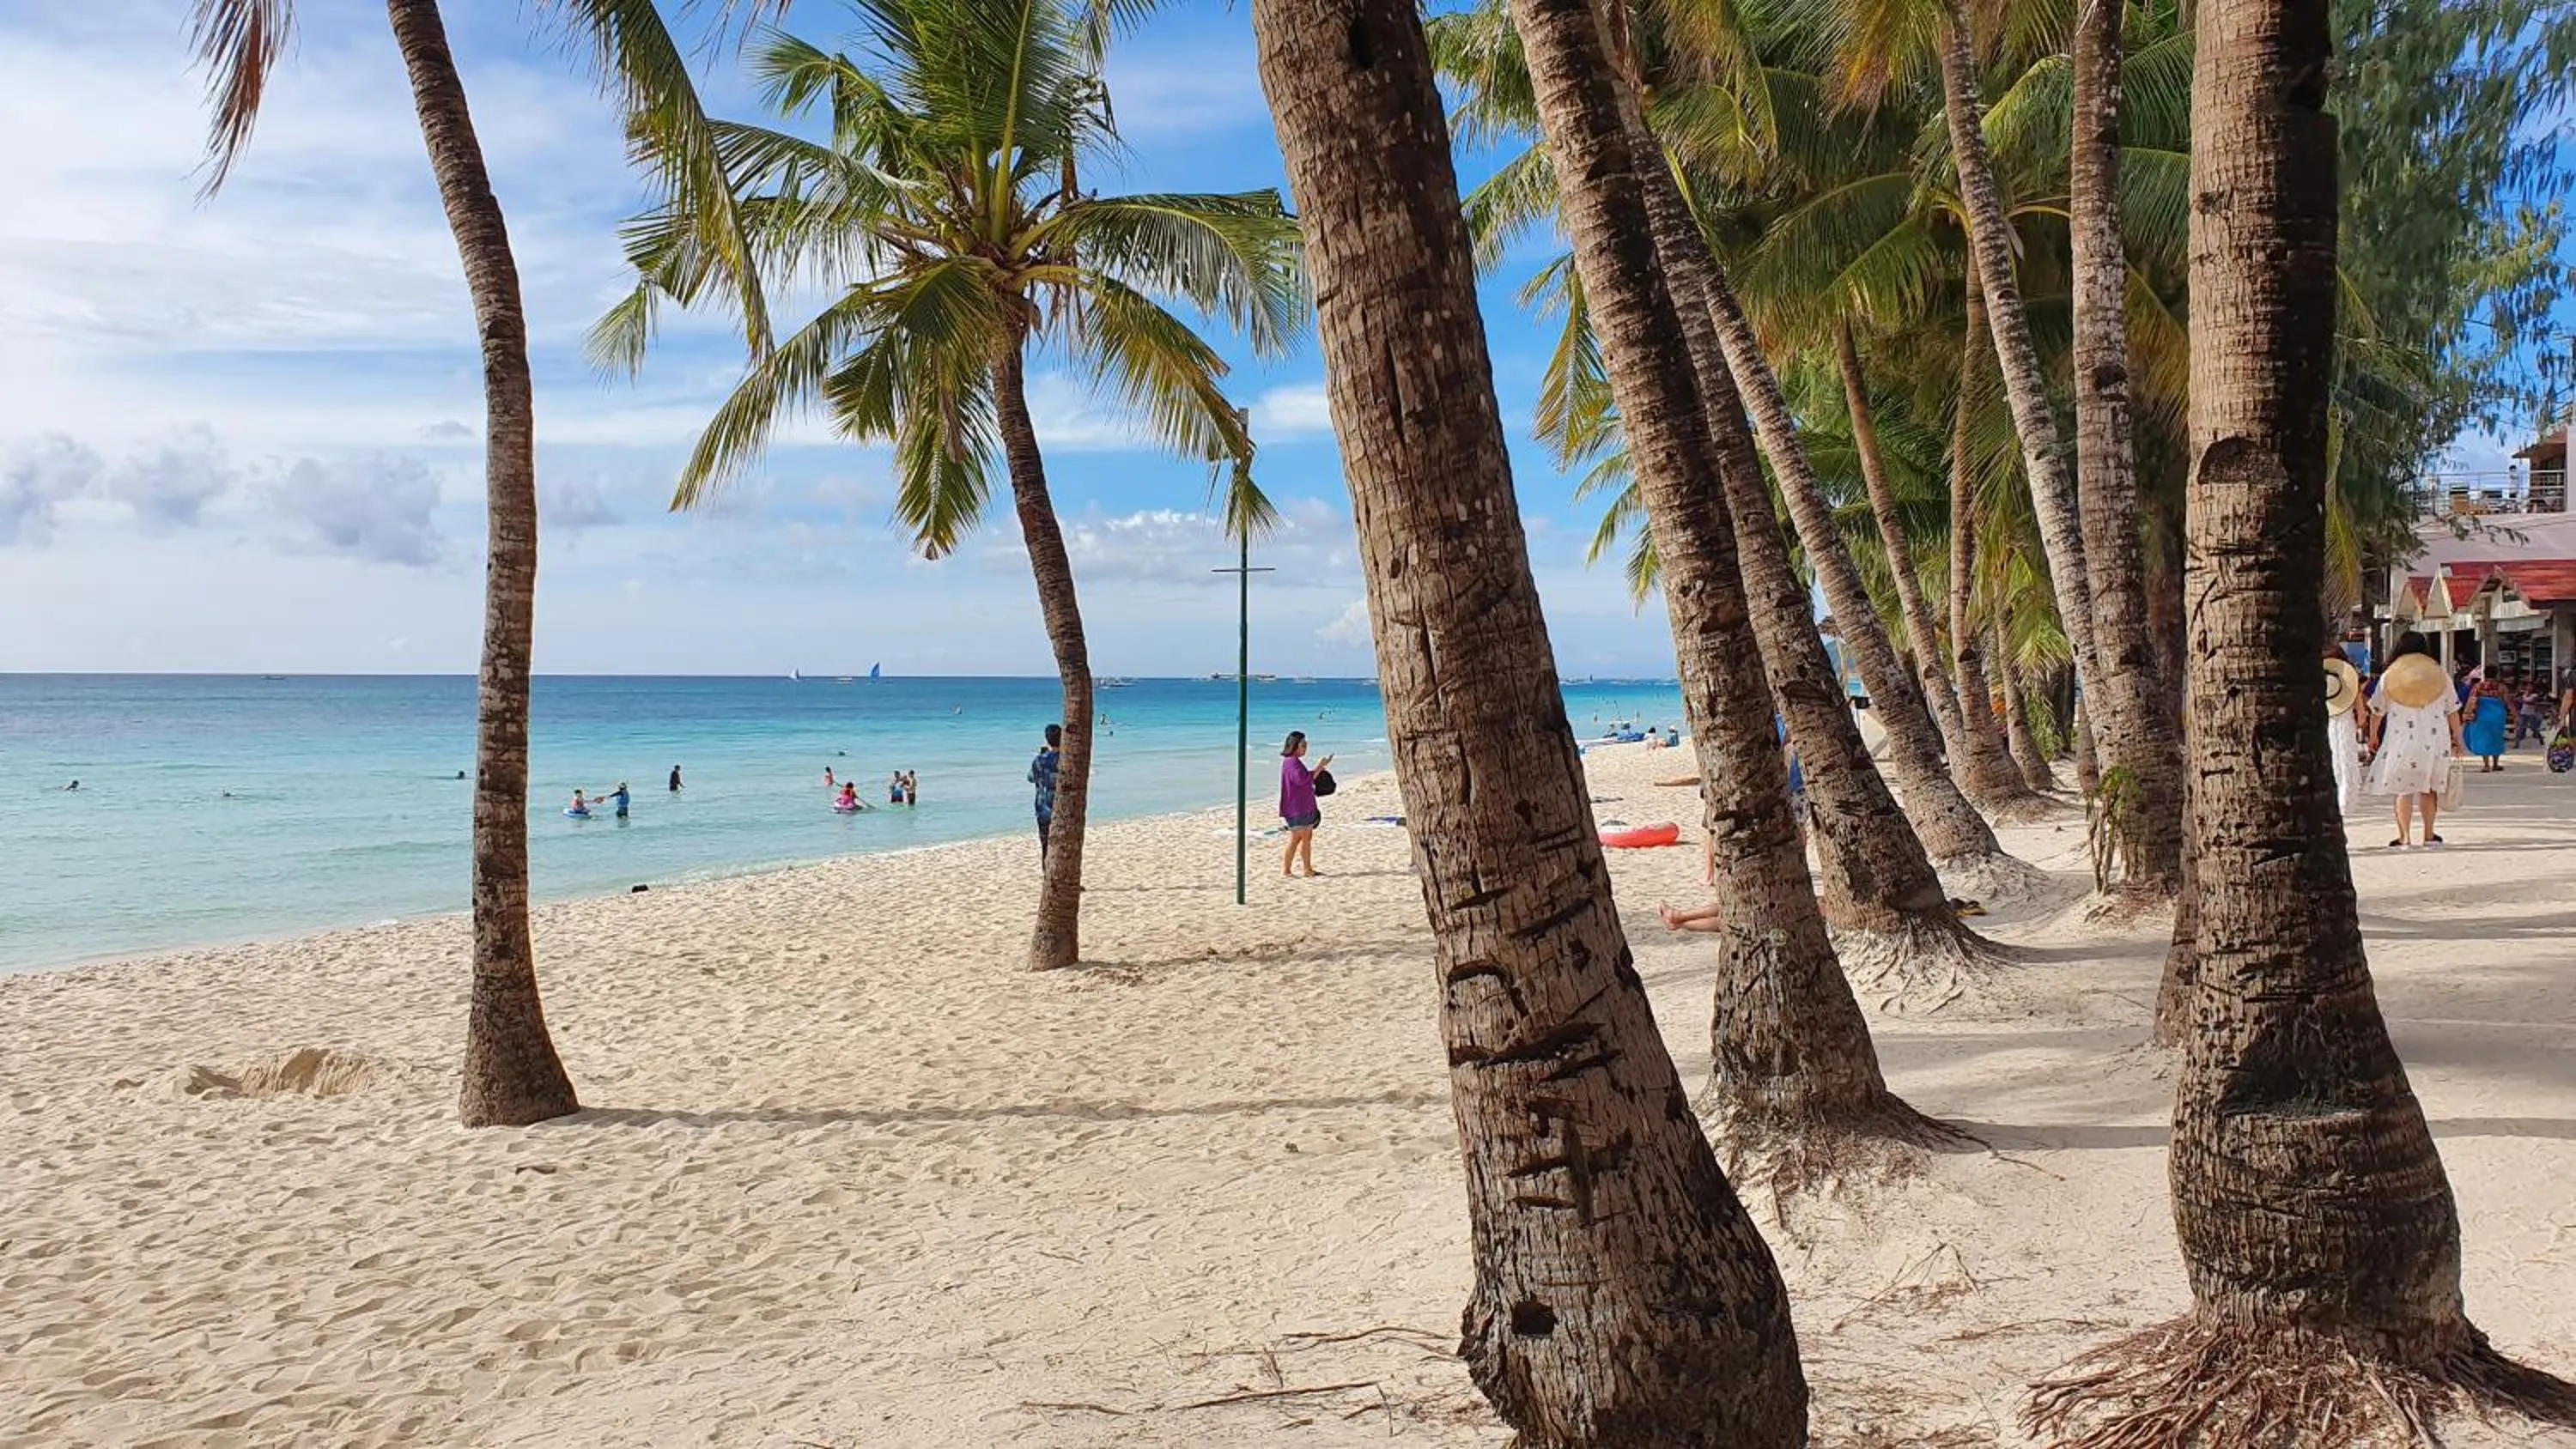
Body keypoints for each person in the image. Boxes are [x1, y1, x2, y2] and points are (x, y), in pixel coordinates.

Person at [2366, 631, 2464, 847]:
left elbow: (2377, 710)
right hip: (2435, 739)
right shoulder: (2440, 674)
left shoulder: (2390, 676)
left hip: (2401, 740)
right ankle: (2429, 835)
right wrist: (2458, 738)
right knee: (2428, 788)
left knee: (2404, 790)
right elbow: (2453, 710)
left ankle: (2405, 837)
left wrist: (2373, 735)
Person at [1279, 730, 1331, 877]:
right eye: (1302, 745)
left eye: (1306, 744)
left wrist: (1319, 769)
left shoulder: (1293, 762)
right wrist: (1319, 767)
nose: (1305, 747)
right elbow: (1304, 780)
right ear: (1294, 746)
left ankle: (1307, 869)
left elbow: (1305, 777)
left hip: (1302, 806)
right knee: (1297, 838)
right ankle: (1287, 870)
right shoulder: (1292, 762)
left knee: (1305, 837)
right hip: (1297, 808)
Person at [2324, 645, 2366, 816]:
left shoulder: (2317, 679)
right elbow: (2362, 714)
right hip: (2345, 723)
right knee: (2345, 762)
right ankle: (2344, 803)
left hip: (2323, 722)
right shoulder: (2351, 681)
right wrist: (2358, 726)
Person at [2464, 678, 2509, 773]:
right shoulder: (2501, 687)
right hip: (2498, 716)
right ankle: (2496, 764)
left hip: (2482, 716)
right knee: (2496, 739)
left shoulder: (2478, 686)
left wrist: (2467, 713)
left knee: (2483, 739)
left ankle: (2486, 765)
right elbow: (2508, 702)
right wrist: (2516, 715)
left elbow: (2471, 700)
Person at [1030, 724, 1061, 855]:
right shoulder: (1067, 760)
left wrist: (1042, 756)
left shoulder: (1039, 760)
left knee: (1046, 847)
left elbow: (1031, 777)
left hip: (1043, 808)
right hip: (1061, 808)